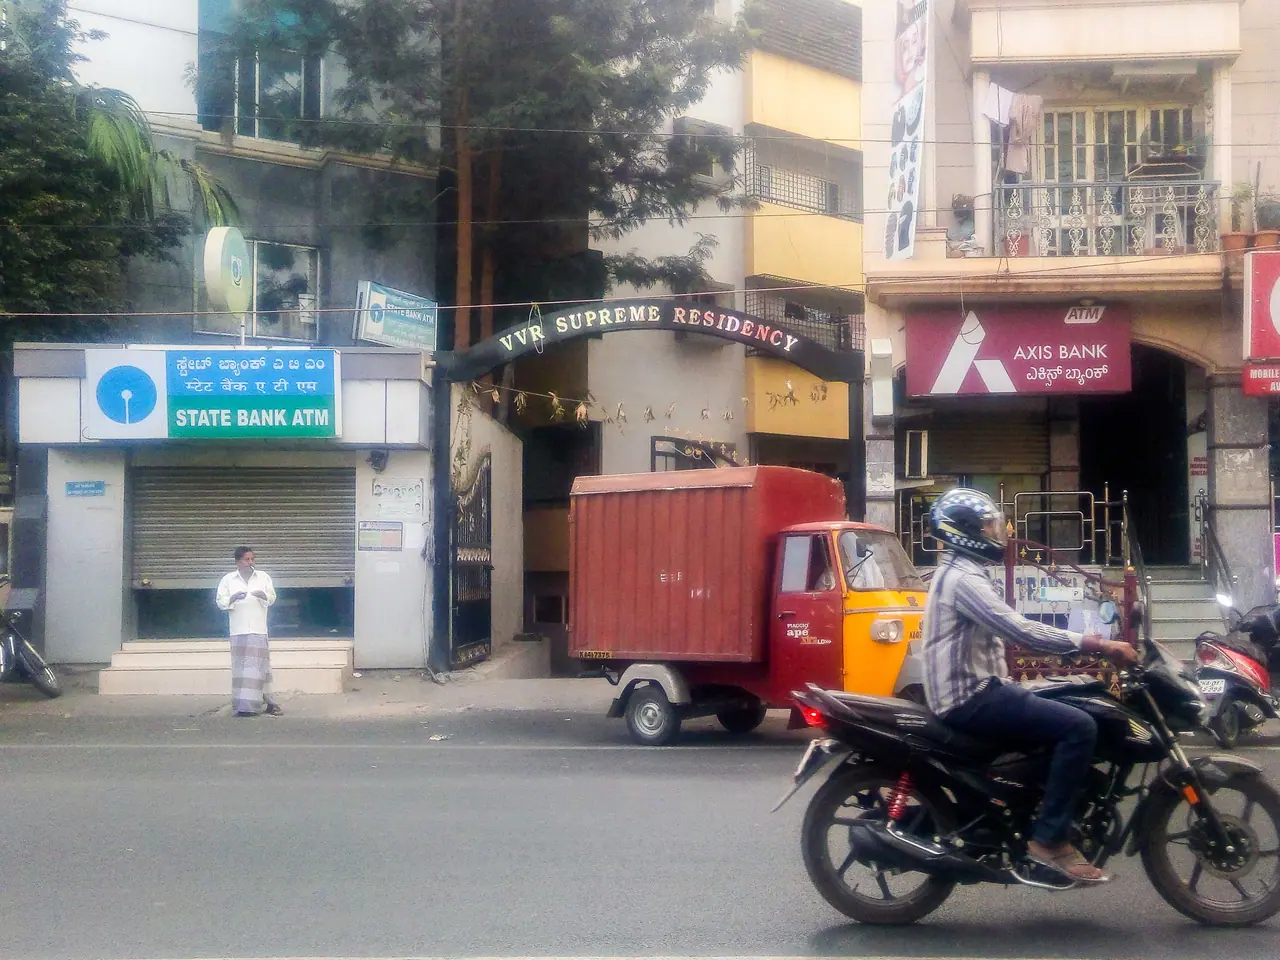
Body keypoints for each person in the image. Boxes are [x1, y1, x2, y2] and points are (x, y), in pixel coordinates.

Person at [921, 488, 1137, 884]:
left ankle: (1032, 807)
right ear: (966, 531)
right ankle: (1048, 840)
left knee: (1071, 703)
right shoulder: (963, 579)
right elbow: (1018, 629)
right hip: (971, 697)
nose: (998, 532)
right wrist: (1096, 644)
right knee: (1079, 727)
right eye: (988, 525)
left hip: (979, 688)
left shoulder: (963, 572)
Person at [216, 546, 281, 718]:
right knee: (242, 669)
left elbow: (272, 597)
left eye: (252, 559)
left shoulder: (263, 577)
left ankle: (269, 702)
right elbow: (220, 601)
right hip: (239, 629)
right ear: (238, 562)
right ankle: (244, 706)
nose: (250, 562)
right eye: (247, 559)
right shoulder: (228, 579)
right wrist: (232, 599)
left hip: (259, 629)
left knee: (262, 668)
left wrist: (263, 596)